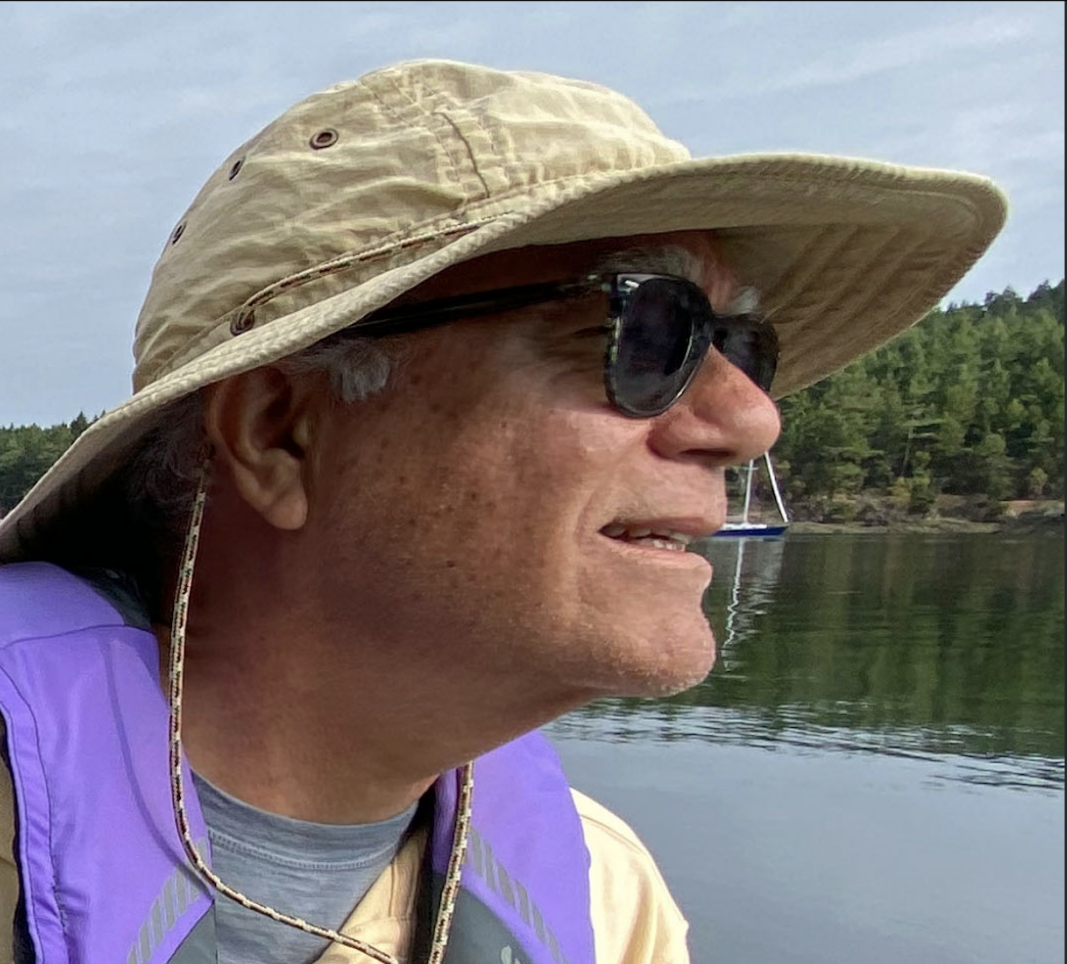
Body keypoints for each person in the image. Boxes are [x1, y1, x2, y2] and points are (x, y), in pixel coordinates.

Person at [0, 59, 1005, 964]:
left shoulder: (607, 902)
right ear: (280, 431)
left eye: (742, 347)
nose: (750, 419)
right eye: (645, 330)